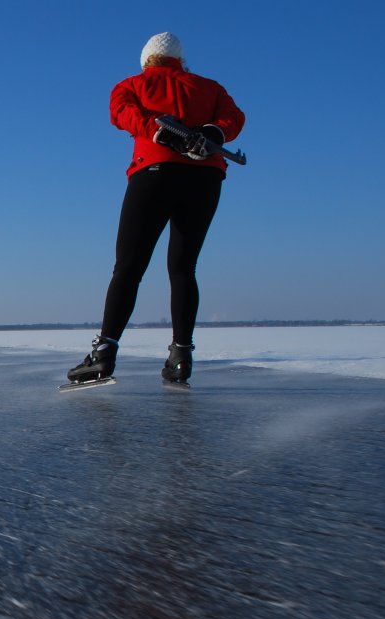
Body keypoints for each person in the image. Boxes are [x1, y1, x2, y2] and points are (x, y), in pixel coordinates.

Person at [66, 32, 245, 386]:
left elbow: (121, 113)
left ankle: (103, 354)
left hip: (154, 174)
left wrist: (154, 130)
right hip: (205, 180)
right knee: (183, 267)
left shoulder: (131, 84)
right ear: (180, 59)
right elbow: (234, 118)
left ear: (147, 59)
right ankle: (181, 356)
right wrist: (213, 133)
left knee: (129, 267)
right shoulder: (211, 88)